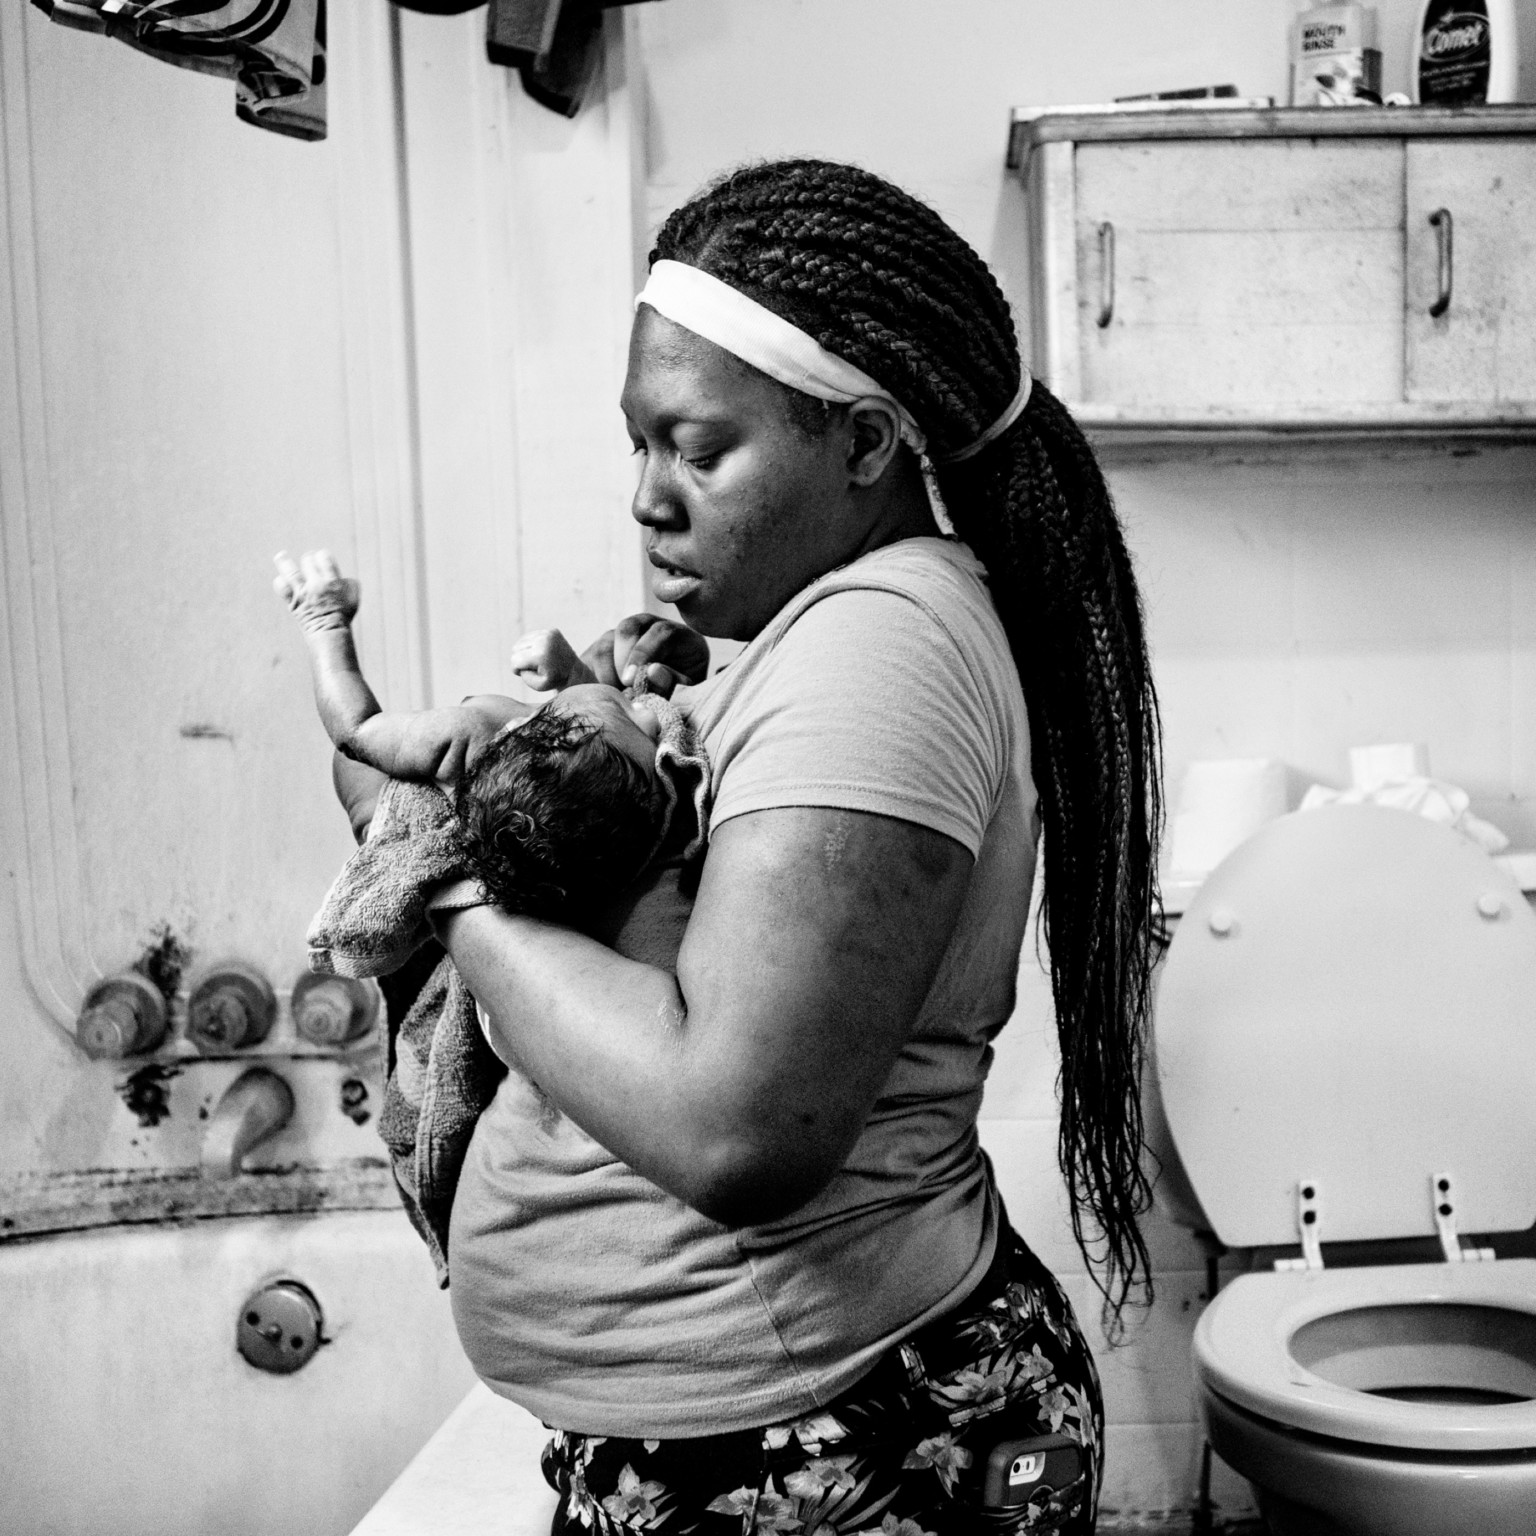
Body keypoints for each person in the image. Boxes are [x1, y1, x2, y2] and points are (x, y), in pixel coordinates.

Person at [347, 159, 1161, 1535]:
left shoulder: (880, 646)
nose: (647, 500)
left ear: (864, 444)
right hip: (768, 1422)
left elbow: (736, 1129)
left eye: (698, 448)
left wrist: (452, 874)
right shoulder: (832, 629)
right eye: (639, 446)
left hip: (836, 1439)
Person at [275, 547, 692, 922]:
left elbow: (358, 731)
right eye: (629, 711)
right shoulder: (503, 737)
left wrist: (325, 626)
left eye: (631, 716)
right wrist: (570, 672)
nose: (653, 715)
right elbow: (591, 718)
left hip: (392, 803)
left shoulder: (469, 739)